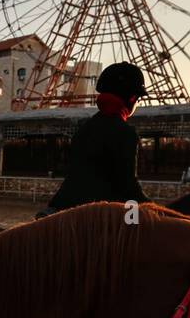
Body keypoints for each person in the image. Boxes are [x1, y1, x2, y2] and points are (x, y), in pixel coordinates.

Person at [38, 62, 150, 217]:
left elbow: (77, 176)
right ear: (132, 98)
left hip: (60, 207)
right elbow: (128, 186)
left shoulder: (84, 128)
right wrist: (154, 211)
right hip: (96, 216)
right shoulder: (125, 132)